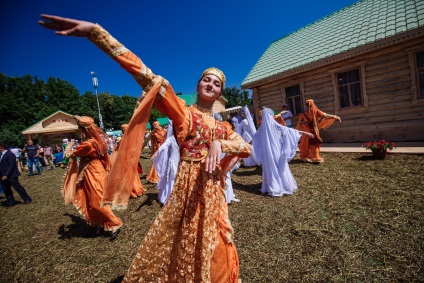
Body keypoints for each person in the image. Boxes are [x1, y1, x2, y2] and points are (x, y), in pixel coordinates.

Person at [39, 14, 252, 282]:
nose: (210, 84)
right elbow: (146, 75)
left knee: (219, 243)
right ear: (198, 86)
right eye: (206, 80)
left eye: (216, 83)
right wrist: (97, 34)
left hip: (214, 194)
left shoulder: (223, 127)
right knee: (182, 242)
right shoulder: (184, 114)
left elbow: (246, 148)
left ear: (220, 93)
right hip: (188, 190)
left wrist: (220, 143)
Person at [62, 116, 122, 240]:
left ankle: (114, 223)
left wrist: (68, 147)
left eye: (80, 131)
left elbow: (71, 155)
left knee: (97, 200)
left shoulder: (88, 144)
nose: (80, 133)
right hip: (92, 170)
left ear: (84, 130)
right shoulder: (95, 139)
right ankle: (100, 223)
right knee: (90, 199)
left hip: (93, 172)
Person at [253, 108, 315, 196]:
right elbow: (290, 131)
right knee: (279, 165)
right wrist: (305, 132)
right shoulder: (273, 125)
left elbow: (255, 138)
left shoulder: (262, 127)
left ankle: (272, 184)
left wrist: (245, 143)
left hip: (266, 153)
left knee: (270, 167)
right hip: (276, 151)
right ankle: (281, 184)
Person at [110, 123, 145, 198]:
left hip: (129, 159)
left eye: (126, 129)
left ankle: (136, 189)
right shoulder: (125, 139)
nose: (125, 130)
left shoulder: (129, 138)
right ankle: (133, 190)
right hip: (126, 159)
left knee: (132, 174)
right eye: (123, 129)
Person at [151, 120, 179, 205]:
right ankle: (171, 196)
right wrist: (157, 152)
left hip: (180, 161)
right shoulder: (171, 139)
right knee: (172, 178)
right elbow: (164, 145)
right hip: (173, 162)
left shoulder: (182, 137)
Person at [0, 142, 32, 207]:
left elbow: (11, 165)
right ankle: (11, 202)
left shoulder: (9, 154)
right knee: (6, 190)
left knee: (18, 188)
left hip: (11, 175)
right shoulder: (1, 155)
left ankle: (27, 199)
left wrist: (6, 175)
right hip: (3, 176)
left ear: (1, 148)